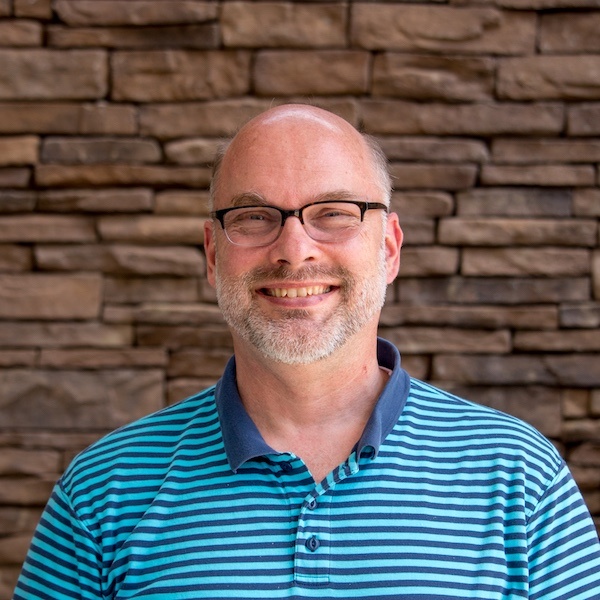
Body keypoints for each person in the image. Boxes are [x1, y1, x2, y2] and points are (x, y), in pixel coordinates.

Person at [14, 104, 600, 599]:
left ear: (389, 249)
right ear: (213, 254)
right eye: (254, 217)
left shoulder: (521, 478)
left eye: (334, 214)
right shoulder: (102, 491)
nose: (294, 250)